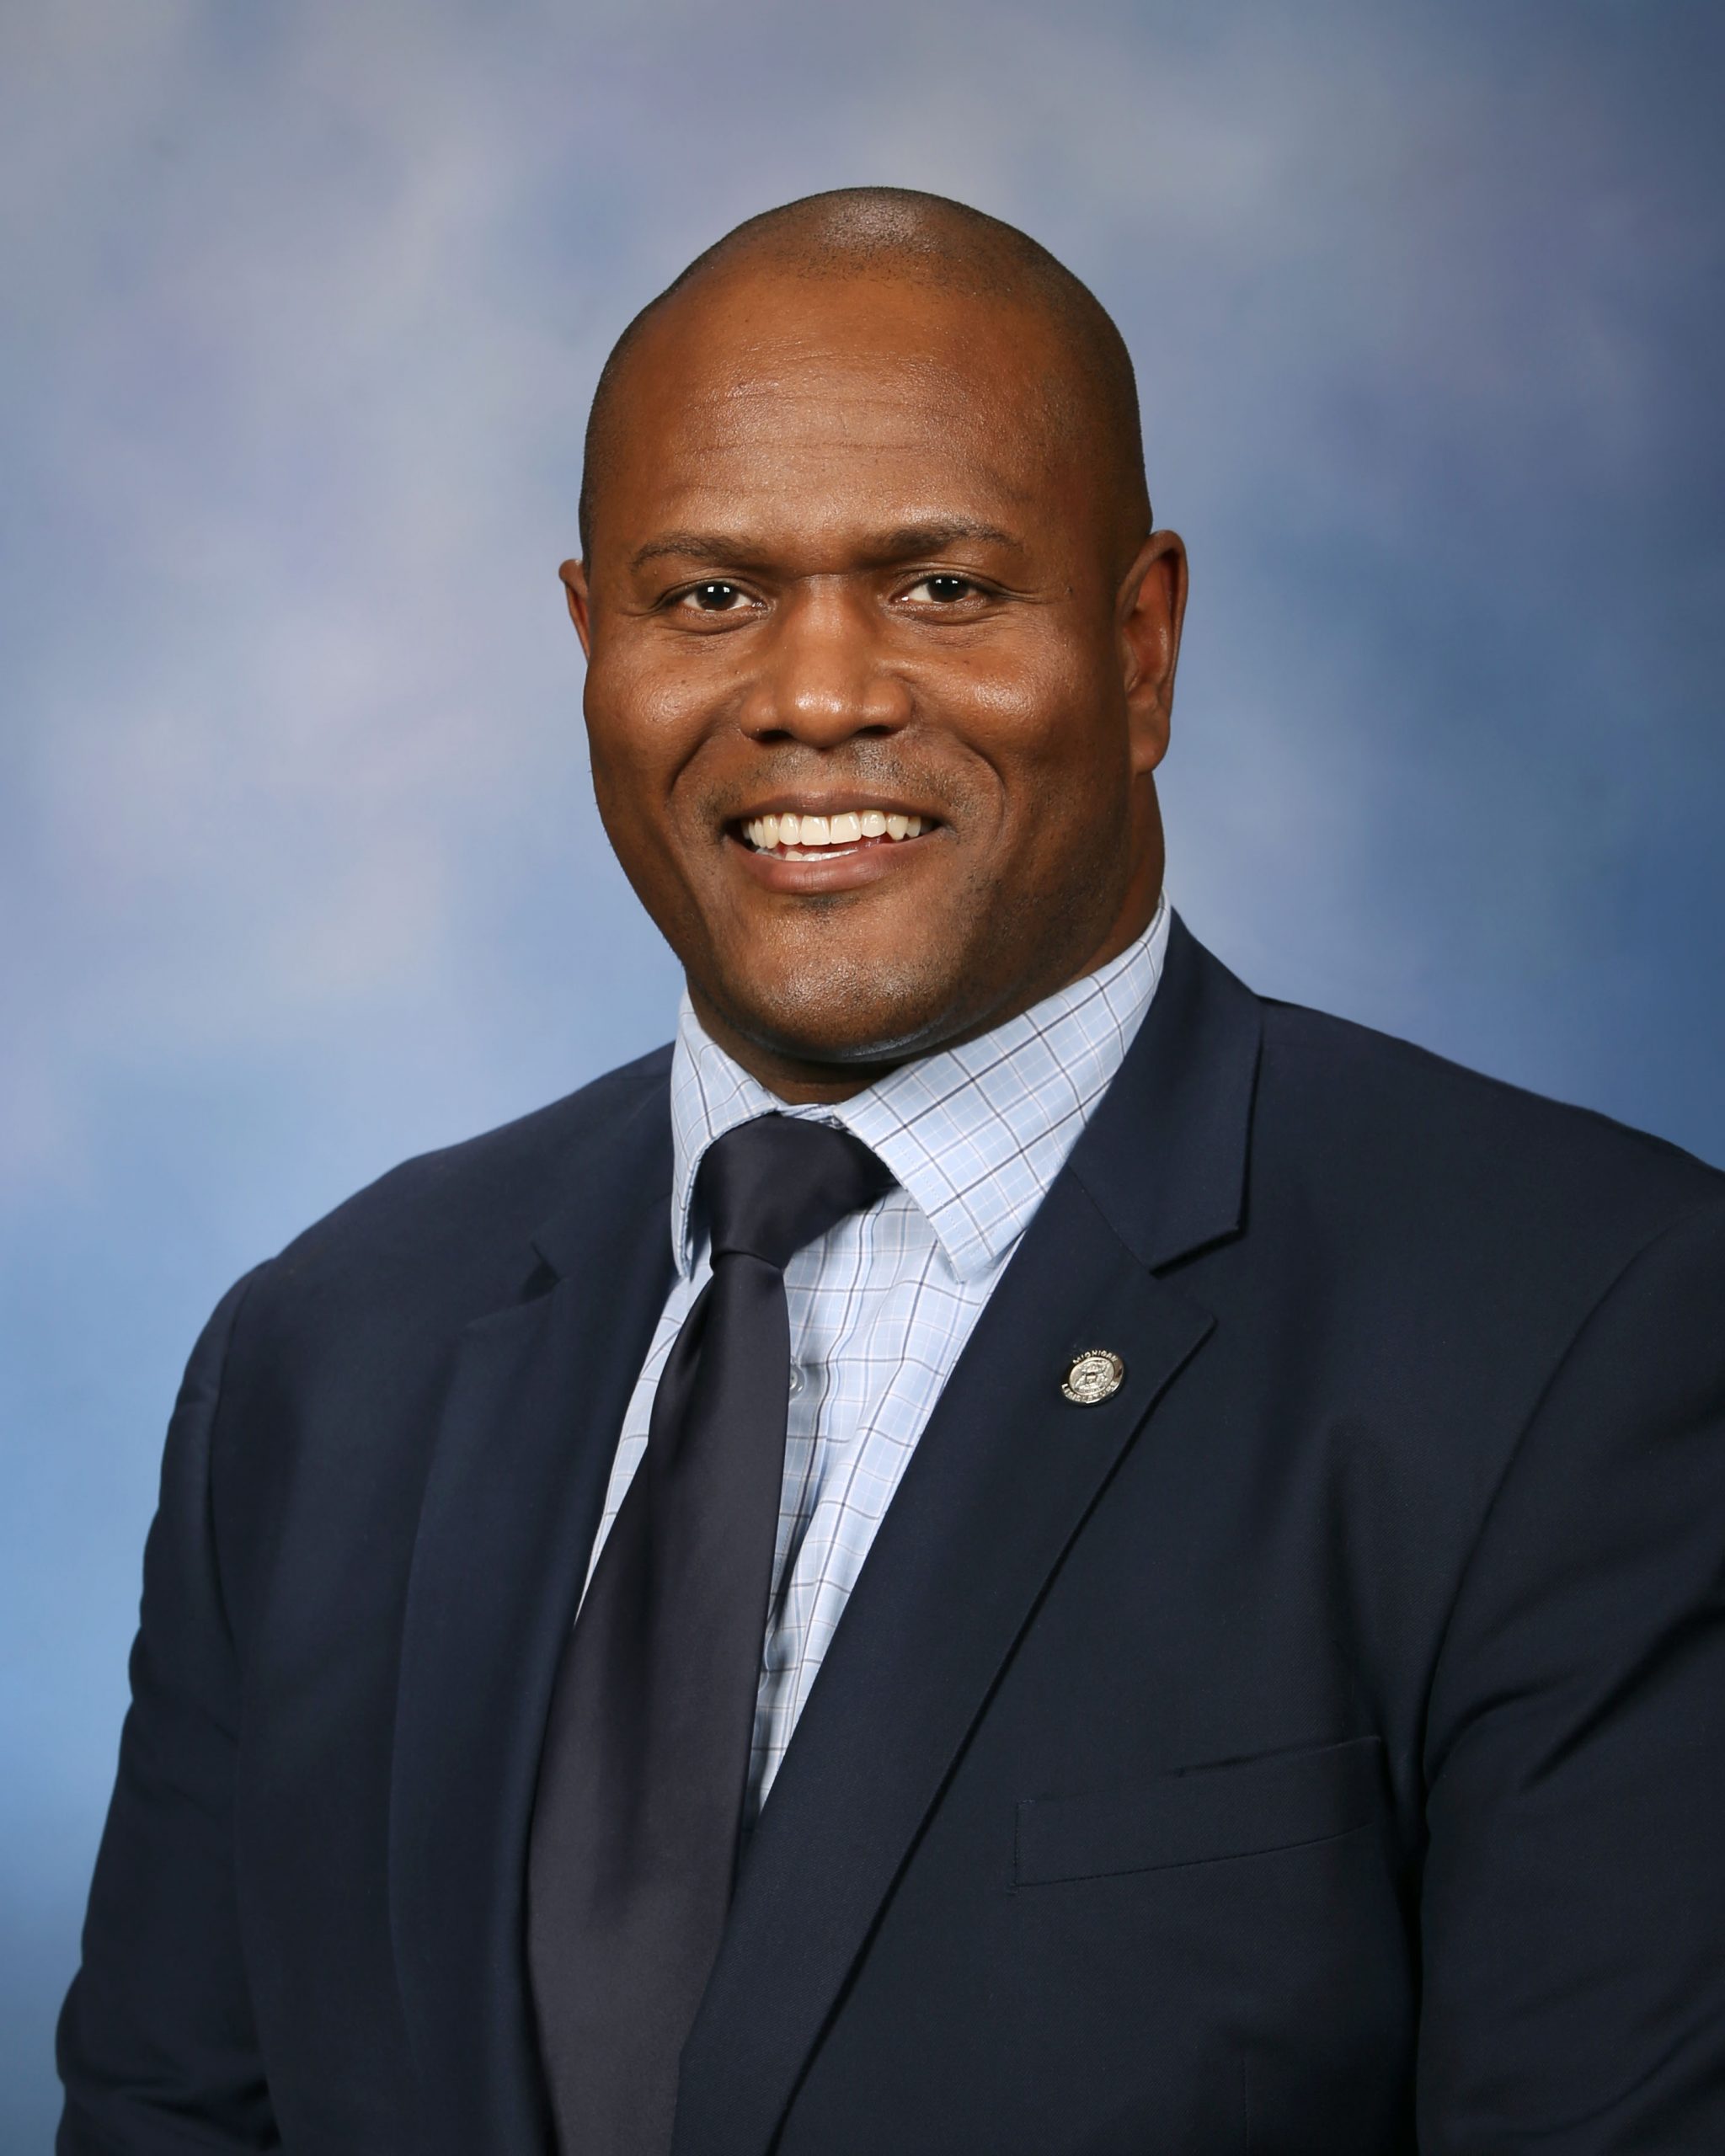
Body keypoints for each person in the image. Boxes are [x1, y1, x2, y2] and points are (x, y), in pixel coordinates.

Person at [57, 187, 1725, 2156]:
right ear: (591, 643)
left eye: (941, 586)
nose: (817, 692)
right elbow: (174, 2114)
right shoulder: (326, 1357)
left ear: (1141, 644)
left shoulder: (1584, 1328)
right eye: (709, 595)